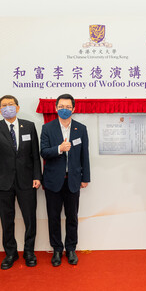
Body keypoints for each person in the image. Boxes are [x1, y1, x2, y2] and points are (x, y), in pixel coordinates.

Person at [0, 95, 42, 269]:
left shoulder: (29, 126)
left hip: (26, 181)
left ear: (17, 107)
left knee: (30, 218)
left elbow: (35, 154)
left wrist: (37, 176)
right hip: (3, 181)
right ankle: (10, 253)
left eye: (11, 105)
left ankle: (29, 251)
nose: (8, 107)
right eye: (4, 105)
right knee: (6, 219)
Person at [40, 94, 90, 266]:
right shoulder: (47, 128)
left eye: (68, 107)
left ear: (73, 109)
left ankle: (70, 249)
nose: (64, 109)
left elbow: (85, 155)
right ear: (55, 108)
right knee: (53, 217)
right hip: (53, 181)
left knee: (72, 217)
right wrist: (59, 149)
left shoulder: (80, 128)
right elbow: (44, 152)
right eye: (61, 106)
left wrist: (86, 177)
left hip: (73, 180)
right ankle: (56, 249)